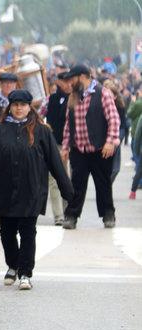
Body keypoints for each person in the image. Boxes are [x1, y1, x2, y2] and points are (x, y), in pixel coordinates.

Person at [0, 90, 73, 290]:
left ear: (30, 107)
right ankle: (13, 264)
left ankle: (25, 273)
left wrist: (68, 191)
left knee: (28, 231)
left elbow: (55, 162)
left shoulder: (42, 131)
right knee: (6, 231)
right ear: (10, 106)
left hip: (32, 190)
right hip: (5, 189)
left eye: (23, 104)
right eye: (15, 104)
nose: (19, 108)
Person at [61, 64, 121, 230]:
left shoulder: (103, 93)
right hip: (79, 149)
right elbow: (68, 124)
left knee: (103, 184)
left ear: (83, 77)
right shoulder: (73, 97)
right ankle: (71, 216)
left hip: (100, 149)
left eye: (72, 79)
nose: (70, 82)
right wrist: (65, 147)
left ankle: (108, 214)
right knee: (76, 185)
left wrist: (111, 141)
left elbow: (114, 119)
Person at [40, 71, 72, 225]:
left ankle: (69, 212)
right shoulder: (50, 99)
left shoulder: (76, 100)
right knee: (54, 180)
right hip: (53, 145)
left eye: (70, 81)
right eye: (65, 81)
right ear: (58, 82)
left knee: (69, 179)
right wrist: (44, 127)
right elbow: (38, 116)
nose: (68, 84)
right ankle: (59, 215)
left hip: (72, 146)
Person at [103, 79, 127, 183]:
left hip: (116, 139)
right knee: (104, 168)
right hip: (104, 140)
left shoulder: (120, 106)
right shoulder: (100, 104)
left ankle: (107, 184)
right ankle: (105, 186)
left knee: (115, 168)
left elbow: (123, 125)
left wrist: (118, 139)